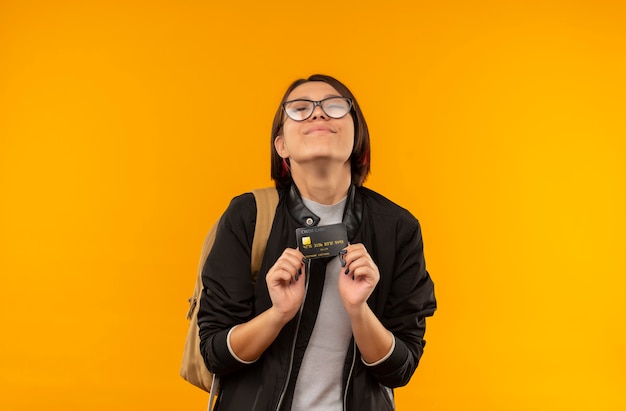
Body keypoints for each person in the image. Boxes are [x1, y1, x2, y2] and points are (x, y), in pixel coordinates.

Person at [198, 74, 436, 410]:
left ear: (357, 137)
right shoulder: (249, 216)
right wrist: (278, 313)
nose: (318, 114)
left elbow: (400, 368)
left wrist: (358, 310)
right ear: (281, 144)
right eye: (299, 108)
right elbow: (215, 355)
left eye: (334, 107)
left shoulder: (398, 229)